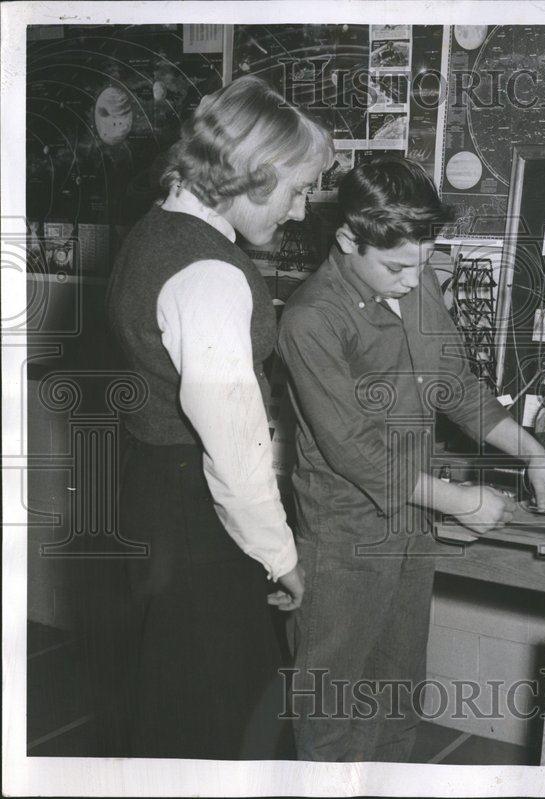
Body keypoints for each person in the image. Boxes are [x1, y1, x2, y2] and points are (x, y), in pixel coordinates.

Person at [277, 156, 545, 762]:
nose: (413, 280)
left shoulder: (416, 279)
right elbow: (355, 452)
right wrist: (461, 501)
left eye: (423, 261)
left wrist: (533, 452)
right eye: (396, 266)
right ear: (348, 240)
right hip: (344, 532)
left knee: (397, 689)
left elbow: (454, 385)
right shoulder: (310, 319)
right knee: (331, 702)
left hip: (411, 520)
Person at [106, 75, 333, 759]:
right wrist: (282, 557)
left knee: (166, 707)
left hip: (151, 497)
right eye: (296, 190)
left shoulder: (154, 231)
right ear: (253, 174)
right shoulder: (210, 273)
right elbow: (233, 452)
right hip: (196, 518)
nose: (298, 212)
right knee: (219, 723)